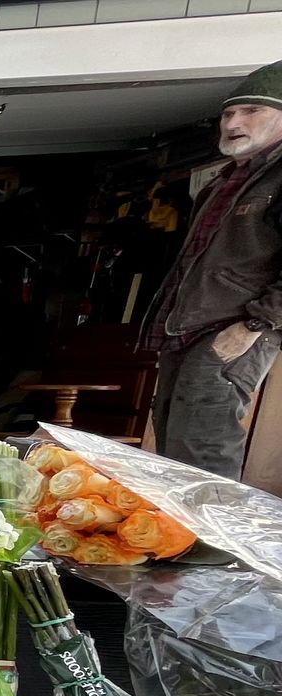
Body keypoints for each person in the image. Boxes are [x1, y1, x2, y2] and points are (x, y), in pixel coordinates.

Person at [145, 61, 282, 480]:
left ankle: (215, 548)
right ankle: (178, 544)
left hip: (234, 329)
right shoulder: (224, 181)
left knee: (201, 452)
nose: (233, 122)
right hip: (187, 328)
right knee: (170, 451)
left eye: (251, 111)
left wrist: (255, 325)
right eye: (227, 113)